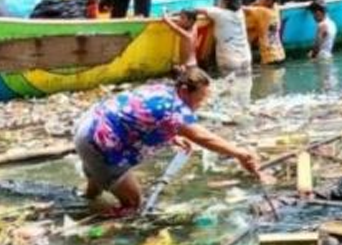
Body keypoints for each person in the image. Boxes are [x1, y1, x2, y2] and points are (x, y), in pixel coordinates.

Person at [73, 68, 260, 214]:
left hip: (88, 128)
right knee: (134, 204)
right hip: (99, 143)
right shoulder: (174, 109)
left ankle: (87, 204)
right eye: (199, 98)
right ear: (185, 90)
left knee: (97, 182)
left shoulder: (162, 90)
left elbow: (141, 116)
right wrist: (240, 154)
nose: (200, 104)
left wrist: (172, 136)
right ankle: (102, 227)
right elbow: (203, 137)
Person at [243, 0, 285, 65]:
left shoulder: (261, 11)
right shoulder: (275, 8)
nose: (258, 0)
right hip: (280, 55)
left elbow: (243, 9)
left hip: (270, 58)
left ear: (269, 0)